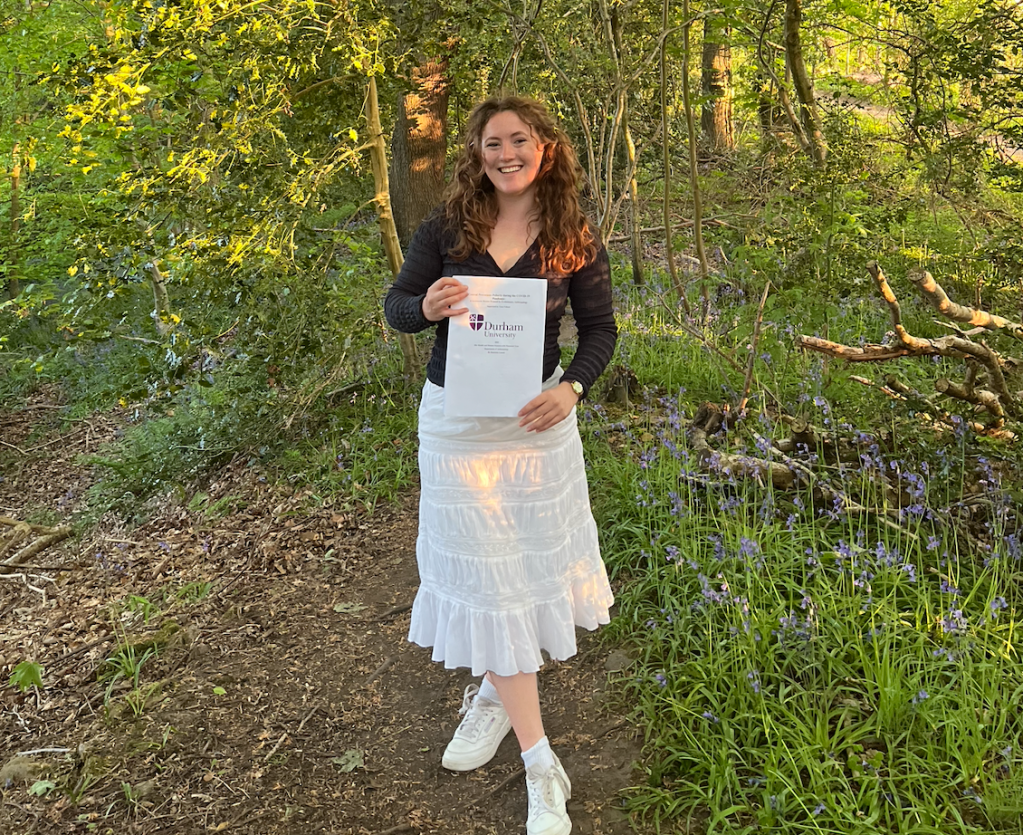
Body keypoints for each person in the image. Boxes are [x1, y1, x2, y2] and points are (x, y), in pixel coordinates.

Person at [384, 95, 617, 835]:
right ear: (477, 153)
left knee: (516, 572)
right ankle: (542, 763)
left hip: (533, 427)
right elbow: (396, 306)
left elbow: (601, 331)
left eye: (519, 140)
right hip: (457, 427)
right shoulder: (447, 227)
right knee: (488, 575)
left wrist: (572, 389)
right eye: (493, 143)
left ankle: (492, 694)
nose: (506, 153)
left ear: (545, 147)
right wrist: (426, 306)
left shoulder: (574, 234)